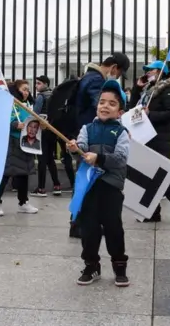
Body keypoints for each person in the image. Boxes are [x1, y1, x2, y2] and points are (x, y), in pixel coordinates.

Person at [67, 80, 130, 287]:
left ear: (120, 112)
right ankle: (91, 265)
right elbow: (82, 147)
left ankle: (119, 266)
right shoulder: (87, 128)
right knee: (89, 228)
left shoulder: (122, 133)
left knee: (113, 227)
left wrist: (99, 158)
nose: (105, 106)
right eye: (102, 102)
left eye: (112, 104)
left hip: (111, 187)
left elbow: (121, 157)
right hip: (89, 187)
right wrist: (75, 147)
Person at [70, 53, 131, 239]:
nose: (104, 105)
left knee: (86, 185)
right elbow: (105, 105)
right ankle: (82, 224)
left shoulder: (87, 76)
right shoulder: (97, 80)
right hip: (94, 139)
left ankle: (79, 224)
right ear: (114, 68)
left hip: (95, 142)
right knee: (88, 185)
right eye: (119, 74)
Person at [128, 60, 170, 224]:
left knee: (160, 174)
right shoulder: (147, 91)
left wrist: (150, 115)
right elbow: (133, 108)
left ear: (160, 71)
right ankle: (153, 212)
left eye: (151, 70)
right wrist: (137, 88)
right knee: (150, 173)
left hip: (160, 137)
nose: (147, 73)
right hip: (146, 136)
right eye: (147, 71)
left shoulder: (167, 89)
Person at [0, 80, 40, 217]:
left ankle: (23, 202)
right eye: (24, 89)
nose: (26, 92)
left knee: (24, 173)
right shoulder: (10, 103)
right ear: (16, 90)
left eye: (28, 90)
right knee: (6, 173)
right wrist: (14, 125)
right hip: (13, 142)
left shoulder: (29, 105)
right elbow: (1, 120)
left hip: (26, 141)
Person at [31, 75, 62, 197]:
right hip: (52, 130)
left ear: (45, 84)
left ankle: (41, 188)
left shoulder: (40, 97)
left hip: (42, 131)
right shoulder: (53, 95)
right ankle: (57, 185)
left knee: (42, 159)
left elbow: (35, 114)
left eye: (38, 83)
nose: (36, 85)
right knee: (50, 159)